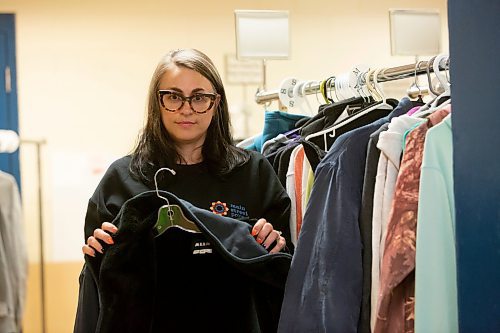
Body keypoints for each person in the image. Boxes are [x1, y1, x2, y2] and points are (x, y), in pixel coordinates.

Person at [74, 48, 292, 332]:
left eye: (199, 97)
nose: (187, 108)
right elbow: (99, 283)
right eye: (174, 97)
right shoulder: (122, 178)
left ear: (216, 104)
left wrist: (276, 241)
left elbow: (282, 266)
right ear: (157, 103)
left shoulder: (253, 173)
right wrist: (98, 249)